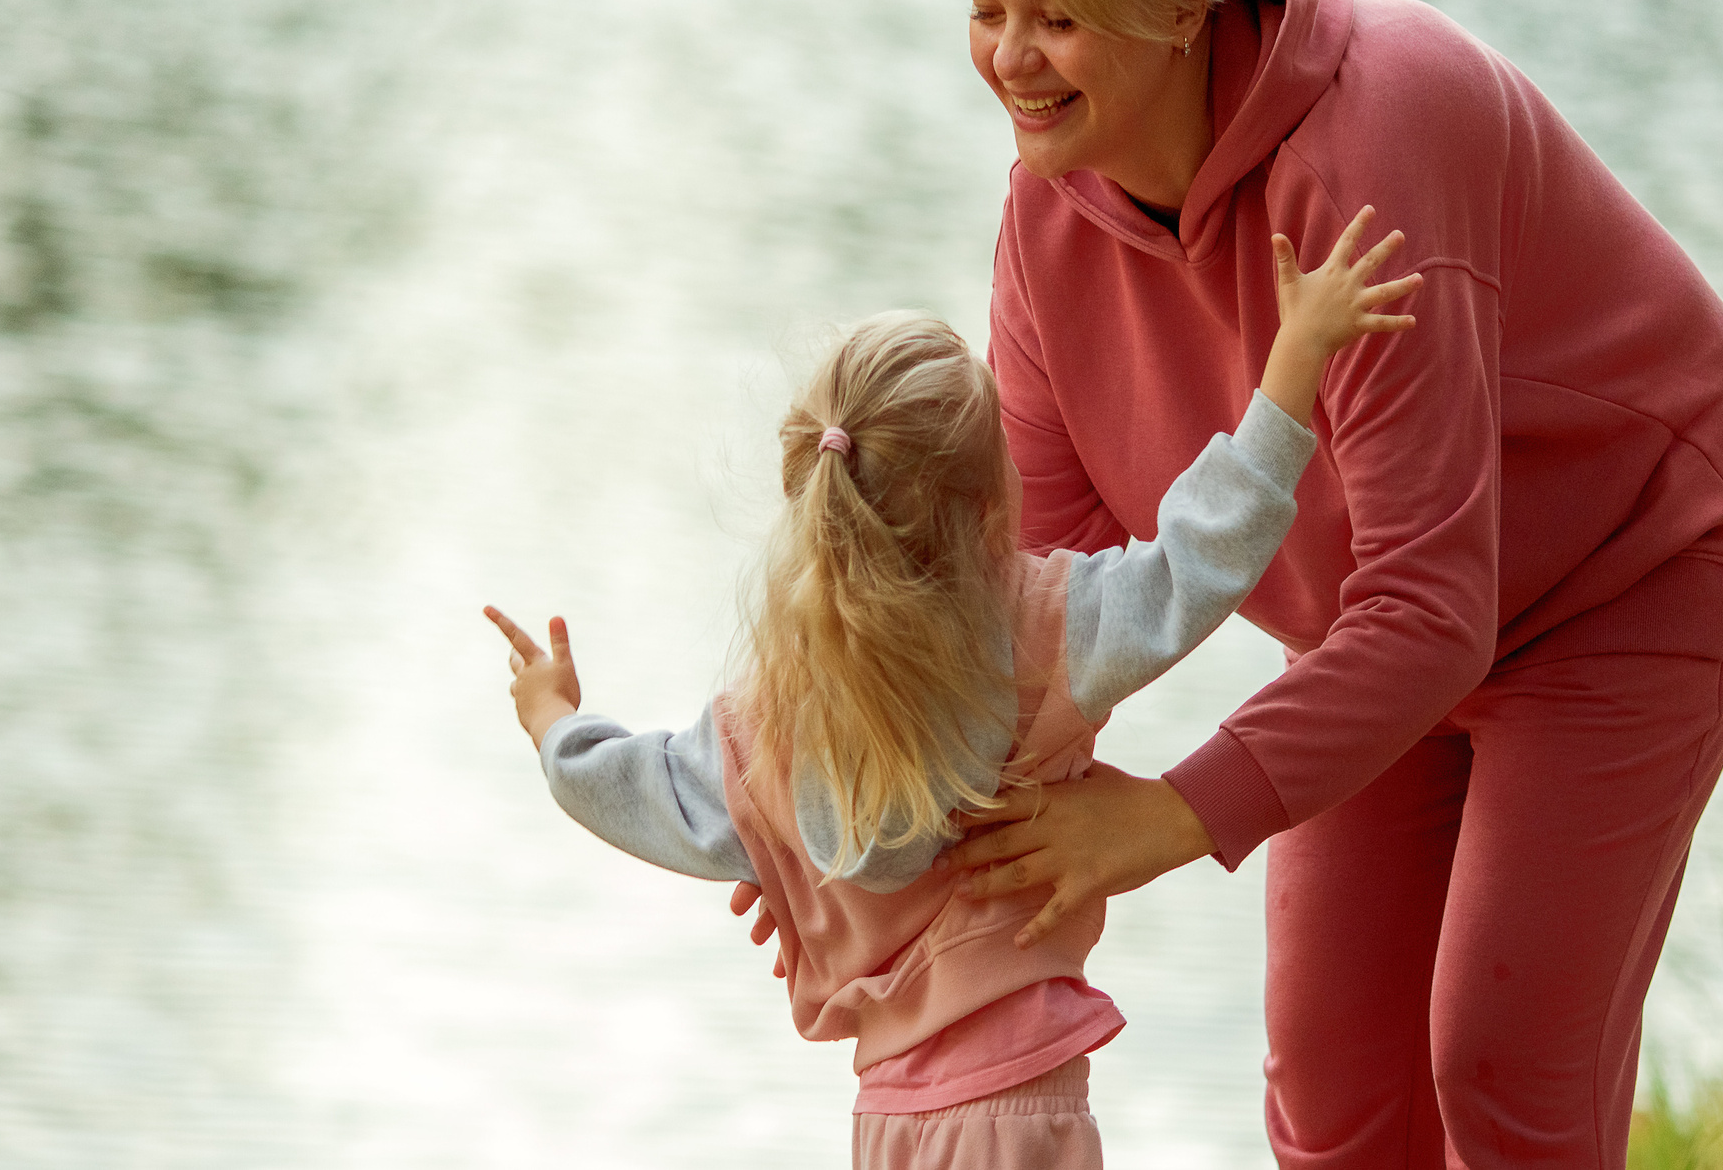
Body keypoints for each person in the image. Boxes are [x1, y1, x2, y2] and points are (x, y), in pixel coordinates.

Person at [904, 0, 1723, 1170]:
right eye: (985, 7)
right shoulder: (1043, 217)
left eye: (1055, 15)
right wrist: (848, 825)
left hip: (1622, 571)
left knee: (1501, 1064)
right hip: (1375, 620)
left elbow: (1436, 606)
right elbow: (1048, 610)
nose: (1010, 56)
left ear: (1178, 7)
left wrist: (1163, 814)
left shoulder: (1373, 143)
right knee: (1333, 1083)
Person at [487, 211, 1420, 1170]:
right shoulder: (1046, 632)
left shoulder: (761, 726)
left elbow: (634, 790)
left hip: (886, 1123)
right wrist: (1292, 365)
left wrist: (554, 719)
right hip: (1022, 1107)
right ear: (987, 507)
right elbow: (1196, 563)